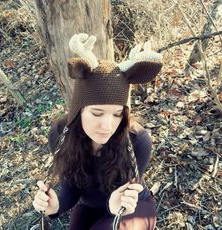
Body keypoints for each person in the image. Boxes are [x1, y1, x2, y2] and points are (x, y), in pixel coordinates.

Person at [32, 33, 163, 230]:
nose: (108, 126)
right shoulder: (60, 135)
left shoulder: (138, 140)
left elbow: (127, 195)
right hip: (90, 207)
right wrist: (56, 205)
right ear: (78, 109)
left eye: (117, 114)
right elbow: (71, 184)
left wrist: (115, 208)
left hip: (132, 207)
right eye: (97, 113)